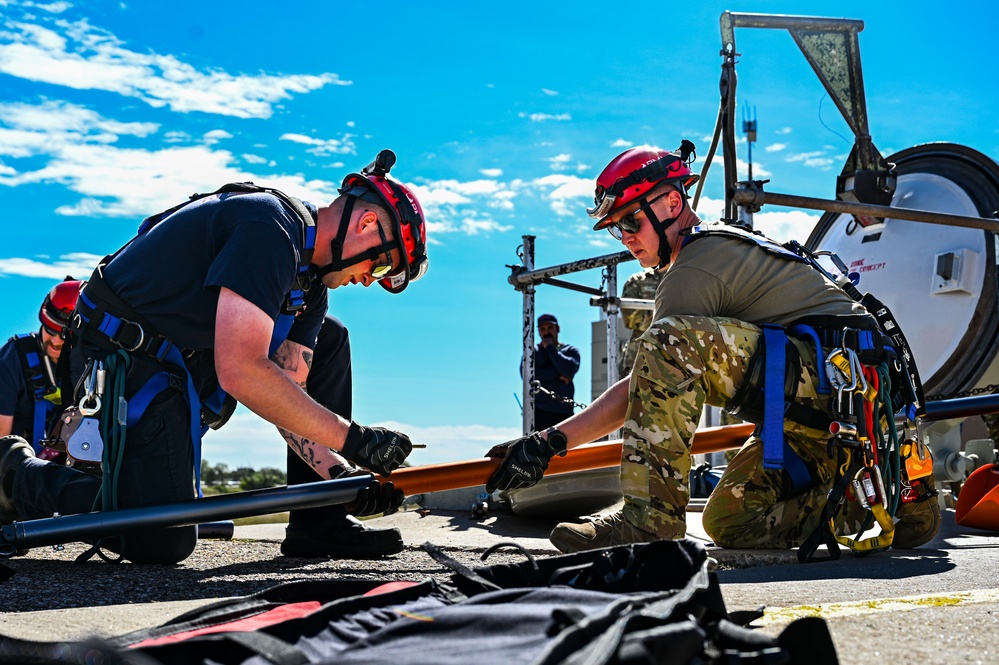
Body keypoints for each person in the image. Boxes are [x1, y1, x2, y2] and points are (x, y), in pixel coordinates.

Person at [487, 142, 938, 555]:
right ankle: (883, 509)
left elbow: (648, 379)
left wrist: (550, 441)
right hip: (836, 418)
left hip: (839, 390)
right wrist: (546, 443)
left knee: (669, 343)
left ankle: (650, 521)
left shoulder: (698, 262)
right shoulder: (716, 250)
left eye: (630, 220)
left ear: (671, 203)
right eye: (615, 228)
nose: (624, 236)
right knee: (729, 520)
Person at [0, 150, 427, 563]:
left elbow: (291, 400)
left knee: (328, 339)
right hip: (126, 356)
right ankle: (14, 470)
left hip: (182, 359)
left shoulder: (311, 289)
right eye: (384, 266)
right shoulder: (269, 229)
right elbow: (241, 371)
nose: (371, 280)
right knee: (159, 541)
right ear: (368, 223)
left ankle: (320, 524)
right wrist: (355, 439)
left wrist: (342, 478)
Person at [0, 278, 83, 454]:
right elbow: (1, 435)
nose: (54, 342)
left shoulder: (90, 367)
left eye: (63, 336)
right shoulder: (14, 358)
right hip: (17, 464)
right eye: (50, 331)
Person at [527, 313, 581, 431]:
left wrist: (550, 349)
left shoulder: (570, 351)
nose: (546, 332)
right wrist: (557, 374)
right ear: (539, 331)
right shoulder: (532, 352)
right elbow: (528, 376)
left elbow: (568, 369)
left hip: (564, 414)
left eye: (550, 328)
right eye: (542, 329)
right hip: (539, 413)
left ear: (558, 329)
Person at [618, 269, 661, 377]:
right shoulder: (639, 280)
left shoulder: (683, 277)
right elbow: (631, 320)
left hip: (677, 353)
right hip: (641, 356)